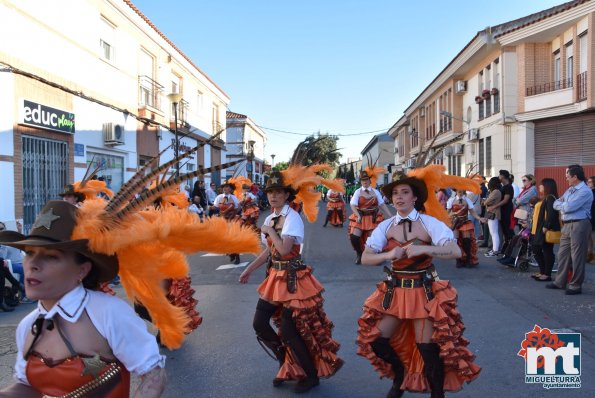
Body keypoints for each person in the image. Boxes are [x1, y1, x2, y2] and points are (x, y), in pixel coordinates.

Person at [0, 201, 167, 397]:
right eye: (29, 253)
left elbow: (154, 375)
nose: (33, 264)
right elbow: (27, 388)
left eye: (51, 256)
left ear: (82, 269)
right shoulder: (27, 326)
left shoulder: (108, 313)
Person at [357, 168, 480, 398]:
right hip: (395, 292)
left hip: (423, 292)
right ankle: (400, 375)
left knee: (428, 350)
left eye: (405, 192)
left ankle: (437, 394)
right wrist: (387, 255)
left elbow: (454, 251)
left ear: (415, 197)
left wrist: (424, 247)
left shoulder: (429, 223)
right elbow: (366, 257)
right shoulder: (385, 226)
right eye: (395, 193)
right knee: (376, 341)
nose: (399, 197)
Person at [239, 168, 343, 394]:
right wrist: (249, 268)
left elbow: (285, 248)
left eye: (278, 192)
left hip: (294, 279)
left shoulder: (292, 217)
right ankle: (284, 362)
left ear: (287, 195)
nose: (273, 196)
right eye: (270, 192)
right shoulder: (271, 217)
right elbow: (269, 252)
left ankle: (311, 376)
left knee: (289, 331)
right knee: (259, 323)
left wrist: (268, 230)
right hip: (275, 277)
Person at [546, 165, 594, 295]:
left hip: (579, 225)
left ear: (575, 177)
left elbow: (568, 207)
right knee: (562, 254)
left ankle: (575, 285)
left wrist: (562, 205)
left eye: (568, 175)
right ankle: (560, 282)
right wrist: (563, 205)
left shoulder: (585, 191)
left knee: (577, 256)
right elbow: (556, 203)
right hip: (567, 225)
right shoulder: (570, 190)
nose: (566, 177)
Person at [349, 170, 392, 264]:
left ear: (370, 181)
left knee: (374, 238)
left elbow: (382, 204)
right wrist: (357, 215)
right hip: (361, 217)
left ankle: (374, 256)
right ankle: (359, 254)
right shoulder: (357, 192)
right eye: (363, 180)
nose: (365, 182)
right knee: (354, 236)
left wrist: (390, 215)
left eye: (366, 180)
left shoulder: (376, 192)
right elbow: (352, 205)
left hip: (373, 217)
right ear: (360, 181)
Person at [527, 179, 560, 281]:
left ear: (547, 186)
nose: (540, 187)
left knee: (547, 251)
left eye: (541, 185)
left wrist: (546, 227)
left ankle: (547, 274)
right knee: (537, 249)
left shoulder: (550, 198)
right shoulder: (545, 198)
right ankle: (543, 271)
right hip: (538, 228)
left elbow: (551, 214)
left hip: (545, 229)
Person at [446, 190, 485, 267]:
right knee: (456, 241)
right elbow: (447, 213)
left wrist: (479, 218)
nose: (460, 191)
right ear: (456, 190)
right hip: (455, 223)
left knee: (466, 241)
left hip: (465, 222)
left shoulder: (467, 200)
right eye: (459, 189)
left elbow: (472, 212)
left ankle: (468, 260)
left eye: (462, 190)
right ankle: (459, 260)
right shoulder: (451, 200)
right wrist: (452, 214)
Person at [214, 181, 241, 264]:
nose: (225, 188)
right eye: (224, 187)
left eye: (227, 187)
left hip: (232, 220)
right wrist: (210, 208)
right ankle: (230, 254)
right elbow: (215, 207)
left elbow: (238, 208)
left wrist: (232, 213)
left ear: (230, 189)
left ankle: (237, 256)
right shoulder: (219, 197)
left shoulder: (234, 198)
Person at [487, 170, 514, 252]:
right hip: (502, 211)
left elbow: (505, 200)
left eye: (499, 175)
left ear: (502, 177)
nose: (498, 177)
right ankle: (506, 249)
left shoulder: (508, 187)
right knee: (504, 232)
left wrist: (494, 206)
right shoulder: (503, 187)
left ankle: (511, 249)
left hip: (507, 212)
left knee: (508, 231)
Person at [483, 177, 502, 257]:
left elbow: (486, 202)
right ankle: (495, 250)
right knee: (493, 233)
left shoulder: (495, 191)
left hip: (493, 213)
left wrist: (485, 201)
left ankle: (495, 251)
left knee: (494, 233)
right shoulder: (496, 191)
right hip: (492, 213)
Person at [588, 176, 595, 263]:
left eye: (590, 182)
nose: (588, 183)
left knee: (593, 238)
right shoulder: (589, 192)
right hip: (589, 218)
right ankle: (589, 255)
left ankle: (593, 256)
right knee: (589, 238)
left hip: (593, 218)